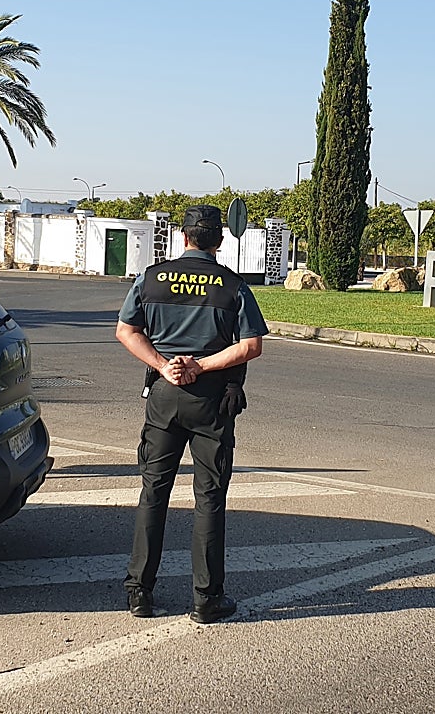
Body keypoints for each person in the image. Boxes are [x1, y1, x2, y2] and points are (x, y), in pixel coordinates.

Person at [115, 204, 267, 623]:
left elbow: (126, 330)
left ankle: (139, 593)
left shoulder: (152, 278)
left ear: (182, 237)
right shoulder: (231, 285)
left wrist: (165, 364)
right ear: (218, 241)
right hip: (212, 402)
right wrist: (202, 365)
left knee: (153, 493)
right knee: (209, 498)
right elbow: (251, 345)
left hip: (164, 395)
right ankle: (206, 598)